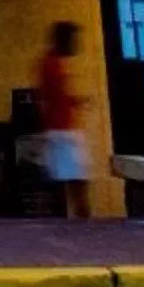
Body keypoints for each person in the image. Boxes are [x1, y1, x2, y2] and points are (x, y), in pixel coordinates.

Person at [33, 20, 91, 218]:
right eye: (73, 39)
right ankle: (83, 226)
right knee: (78, 182)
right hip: (63, 130)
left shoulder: (51, 63)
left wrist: (74, 101)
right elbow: (48, 96)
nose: (76, 44)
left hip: (59, 129)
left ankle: (67, 223)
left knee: (68, 181)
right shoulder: (51, 64)